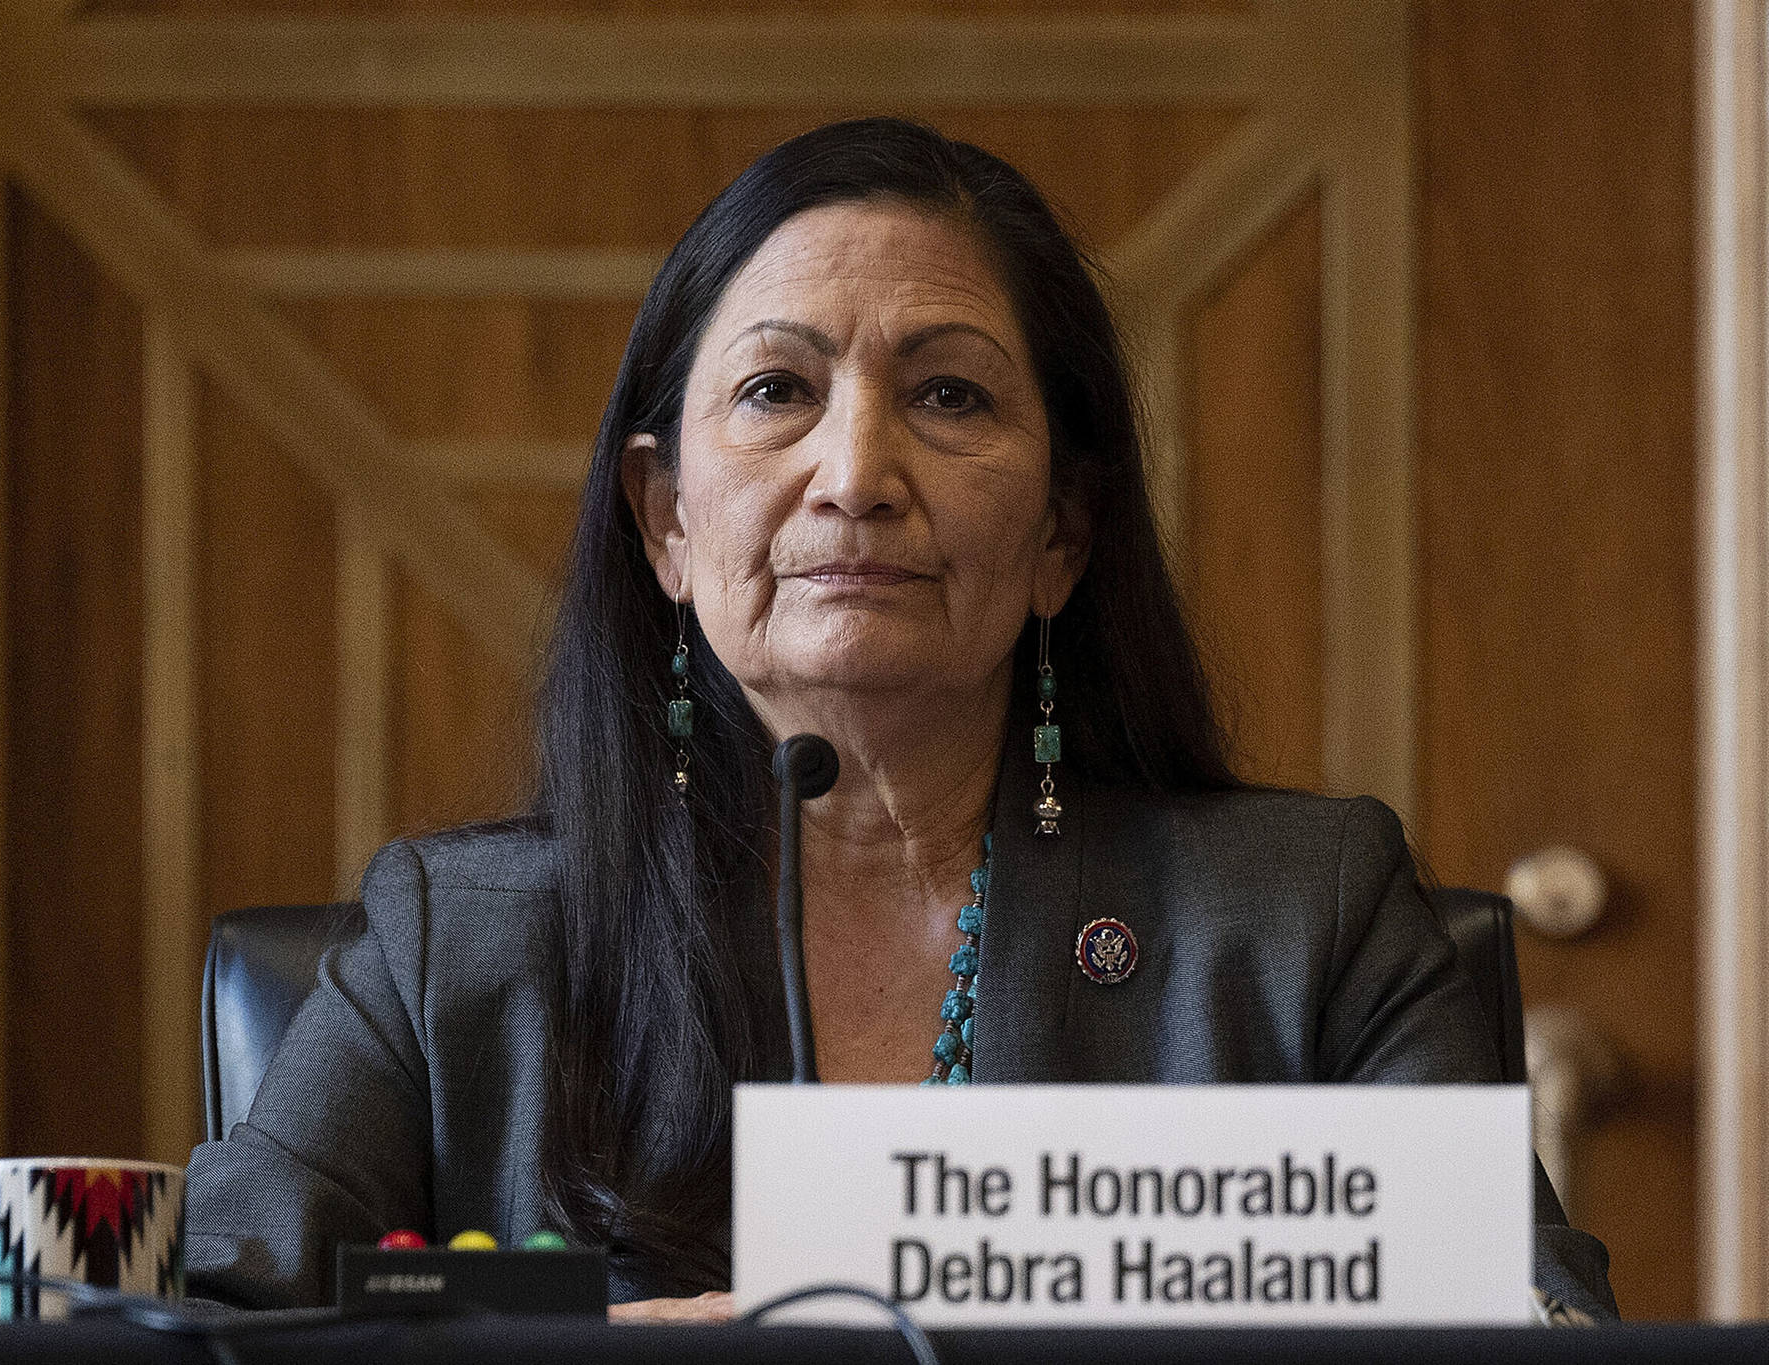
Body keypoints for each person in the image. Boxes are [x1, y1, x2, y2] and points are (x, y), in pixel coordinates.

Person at [182, 117, 1617, 1321]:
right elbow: (221, 1309)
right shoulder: (457, 945)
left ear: (1065, 529)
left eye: (947, 394)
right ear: (666, 519)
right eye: (775, 390)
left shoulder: (1304, 924)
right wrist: (587, 1341)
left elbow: (1539, 1317)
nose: (856, 468)